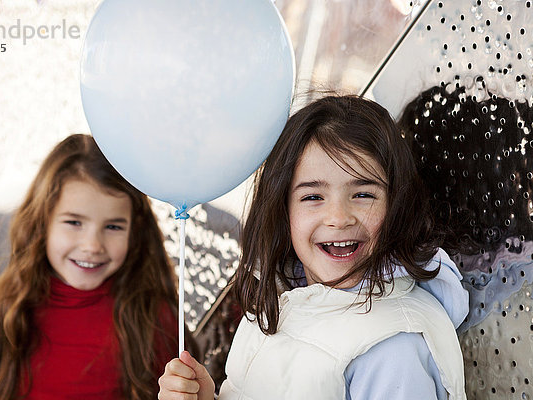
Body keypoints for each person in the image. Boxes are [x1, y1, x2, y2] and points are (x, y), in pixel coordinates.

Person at [158, 95, 469, 400]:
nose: (337, 218)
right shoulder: (279, 302)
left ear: (397, 205)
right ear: (284, 210)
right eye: (313, 197)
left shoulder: (394, 349)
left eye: (363, 194)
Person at [0, 134, 180, 400]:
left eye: (114, 226)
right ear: (42, 222)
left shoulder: (152, 317)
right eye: (74, 222)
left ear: (135, 232)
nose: (93, 245)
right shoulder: (3, 308)